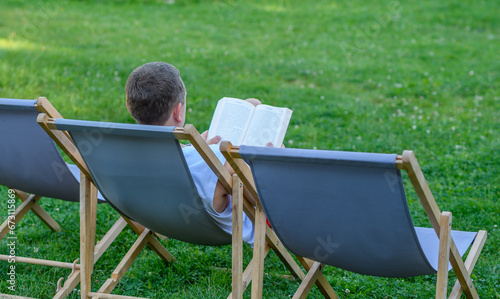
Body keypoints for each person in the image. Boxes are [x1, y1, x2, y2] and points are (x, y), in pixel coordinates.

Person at [125, 61, 256, 245]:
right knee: (256, 110)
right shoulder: (211, 162)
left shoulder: (122, 156)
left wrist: (199, 150)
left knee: (252, 104)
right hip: (233, 225)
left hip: (167, 220)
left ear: (130, 107)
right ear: (178, 112)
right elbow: (265, 201)